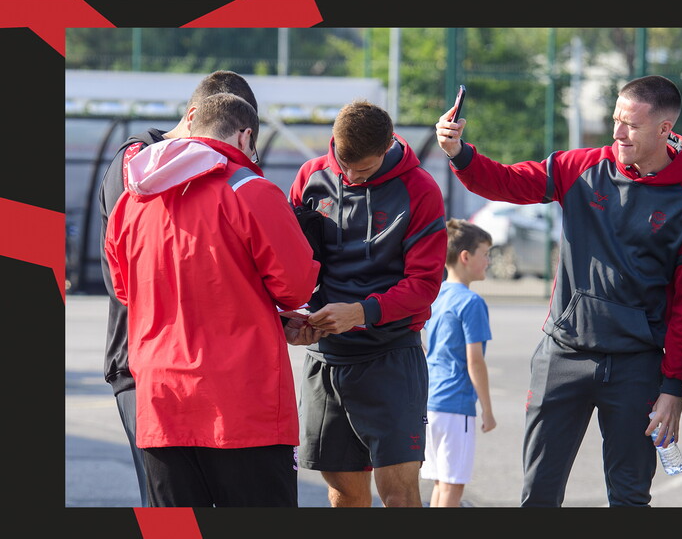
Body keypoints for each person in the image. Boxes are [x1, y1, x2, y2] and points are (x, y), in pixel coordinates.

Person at [436, 75, 682, 507]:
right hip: (562, 354)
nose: (617, 133)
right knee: (539, 494)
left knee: (629, 496)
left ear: (665, 129)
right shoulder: (581, 166)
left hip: (636, 366)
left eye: (631, 125)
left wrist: (672, 387)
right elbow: (508, 182)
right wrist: (459, 153)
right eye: (615, 120)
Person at [104, 92, 321, 507]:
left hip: (162, 402)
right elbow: (295, 289)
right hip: (243, 404)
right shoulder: (251, 190)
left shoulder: (132, 200)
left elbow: (126, 291)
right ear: (245, 136)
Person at [96, 69, 260, 507]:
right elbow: (130, 268)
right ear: (195, 116)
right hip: (140, 364)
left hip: (185, 361)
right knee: (168, 504)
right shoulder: (139, 163)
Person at [290, 99, 447, 507]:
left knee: (398, 496)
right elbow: (290, 264)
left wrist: (361, 312)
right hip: (325, 357)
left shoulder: (420, 190)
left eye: (363, 168)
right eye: (344, 164)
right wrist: (295, 318)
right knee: (342, 494)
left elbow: (425, 284)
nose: (351, 175)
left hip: (389, 357)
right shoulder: (310, 177)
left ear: (387, 148)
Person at [421, 218, 497, 508]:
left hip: (431, 400)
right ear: (465, 257)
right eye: (485, 254)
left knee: (442, 482)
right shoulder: (471, 302)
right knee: (453, 486)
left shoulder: (435, 295)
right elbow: (474, 360)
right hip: (456, 403)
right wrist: (487, 410)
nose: (488, 261)